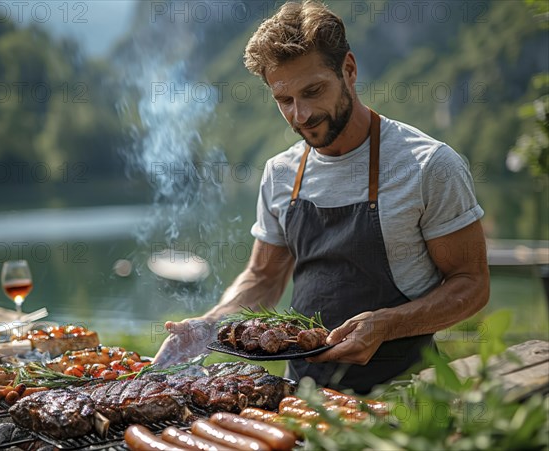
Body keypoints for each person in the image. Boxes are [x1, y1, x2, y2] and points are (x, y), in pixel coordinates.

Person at [153, 0, 490, 393]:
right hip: (303, 401)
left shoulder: (428, 165)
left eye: (313, 91)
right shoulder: (280, 174)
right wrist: (208, 326)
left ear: (348, 69)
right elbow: (262, 277)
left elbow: (471, 284)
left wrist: (387, 325)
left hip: (406, 398)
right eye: (285, 100)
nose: (301, 114)